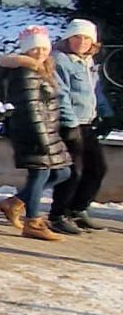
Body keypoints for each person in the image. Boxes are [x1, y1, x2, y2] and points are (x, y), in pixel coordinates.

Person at [0, 25, 72, 241]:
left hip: (46, 130)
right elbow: (30, 108)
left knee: (62, 172)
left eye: (43, 48)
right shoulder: (26, 71)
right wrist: (42, 138)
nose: (40, 53)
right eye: (34, 49)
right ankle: (33, 222)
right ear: (26, 51)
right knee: (41, 173)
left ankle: (15, 202)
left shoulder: (42, 68)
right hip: (33, 131)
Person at [51, 18, 109, 234]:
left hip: (86, 123)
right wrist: (70, 124)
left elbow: (96, 91)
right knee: (70, 172)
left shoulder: (88, 61)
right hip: (67, 123)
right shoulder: (60, 60)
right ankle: (57, 215)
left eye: (86, 38)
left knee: (97, 168)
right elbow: (60, 93)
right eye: (77, 37)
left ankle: (78, 208)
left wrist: (106, 114)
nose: (82, 42)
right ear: (68, 38)